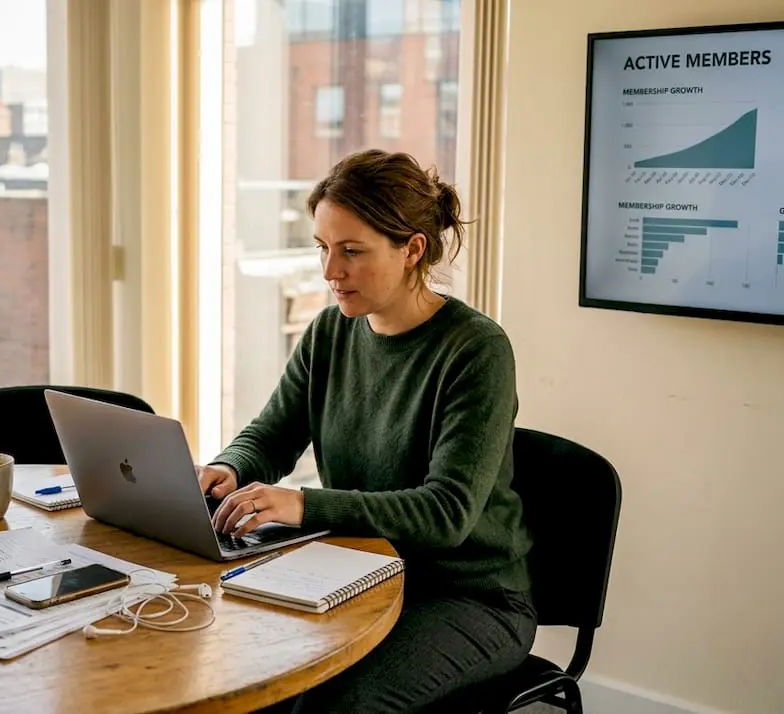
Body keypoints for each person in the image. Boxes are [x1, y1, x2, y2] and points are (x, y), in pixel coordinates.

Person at [198, 149, 536, 713]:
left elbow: (446, 514)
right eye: (323, 249)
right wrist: (230, 468)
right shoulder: (331, 330)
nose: (331, 272)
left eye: (352, 252)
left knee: (340, 706)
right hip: (359, 570)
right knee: (250, 671)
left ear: (412, 250)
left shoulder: (476, 350)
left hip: (469, 596)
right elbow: (272, 435)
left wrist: (302, 505)